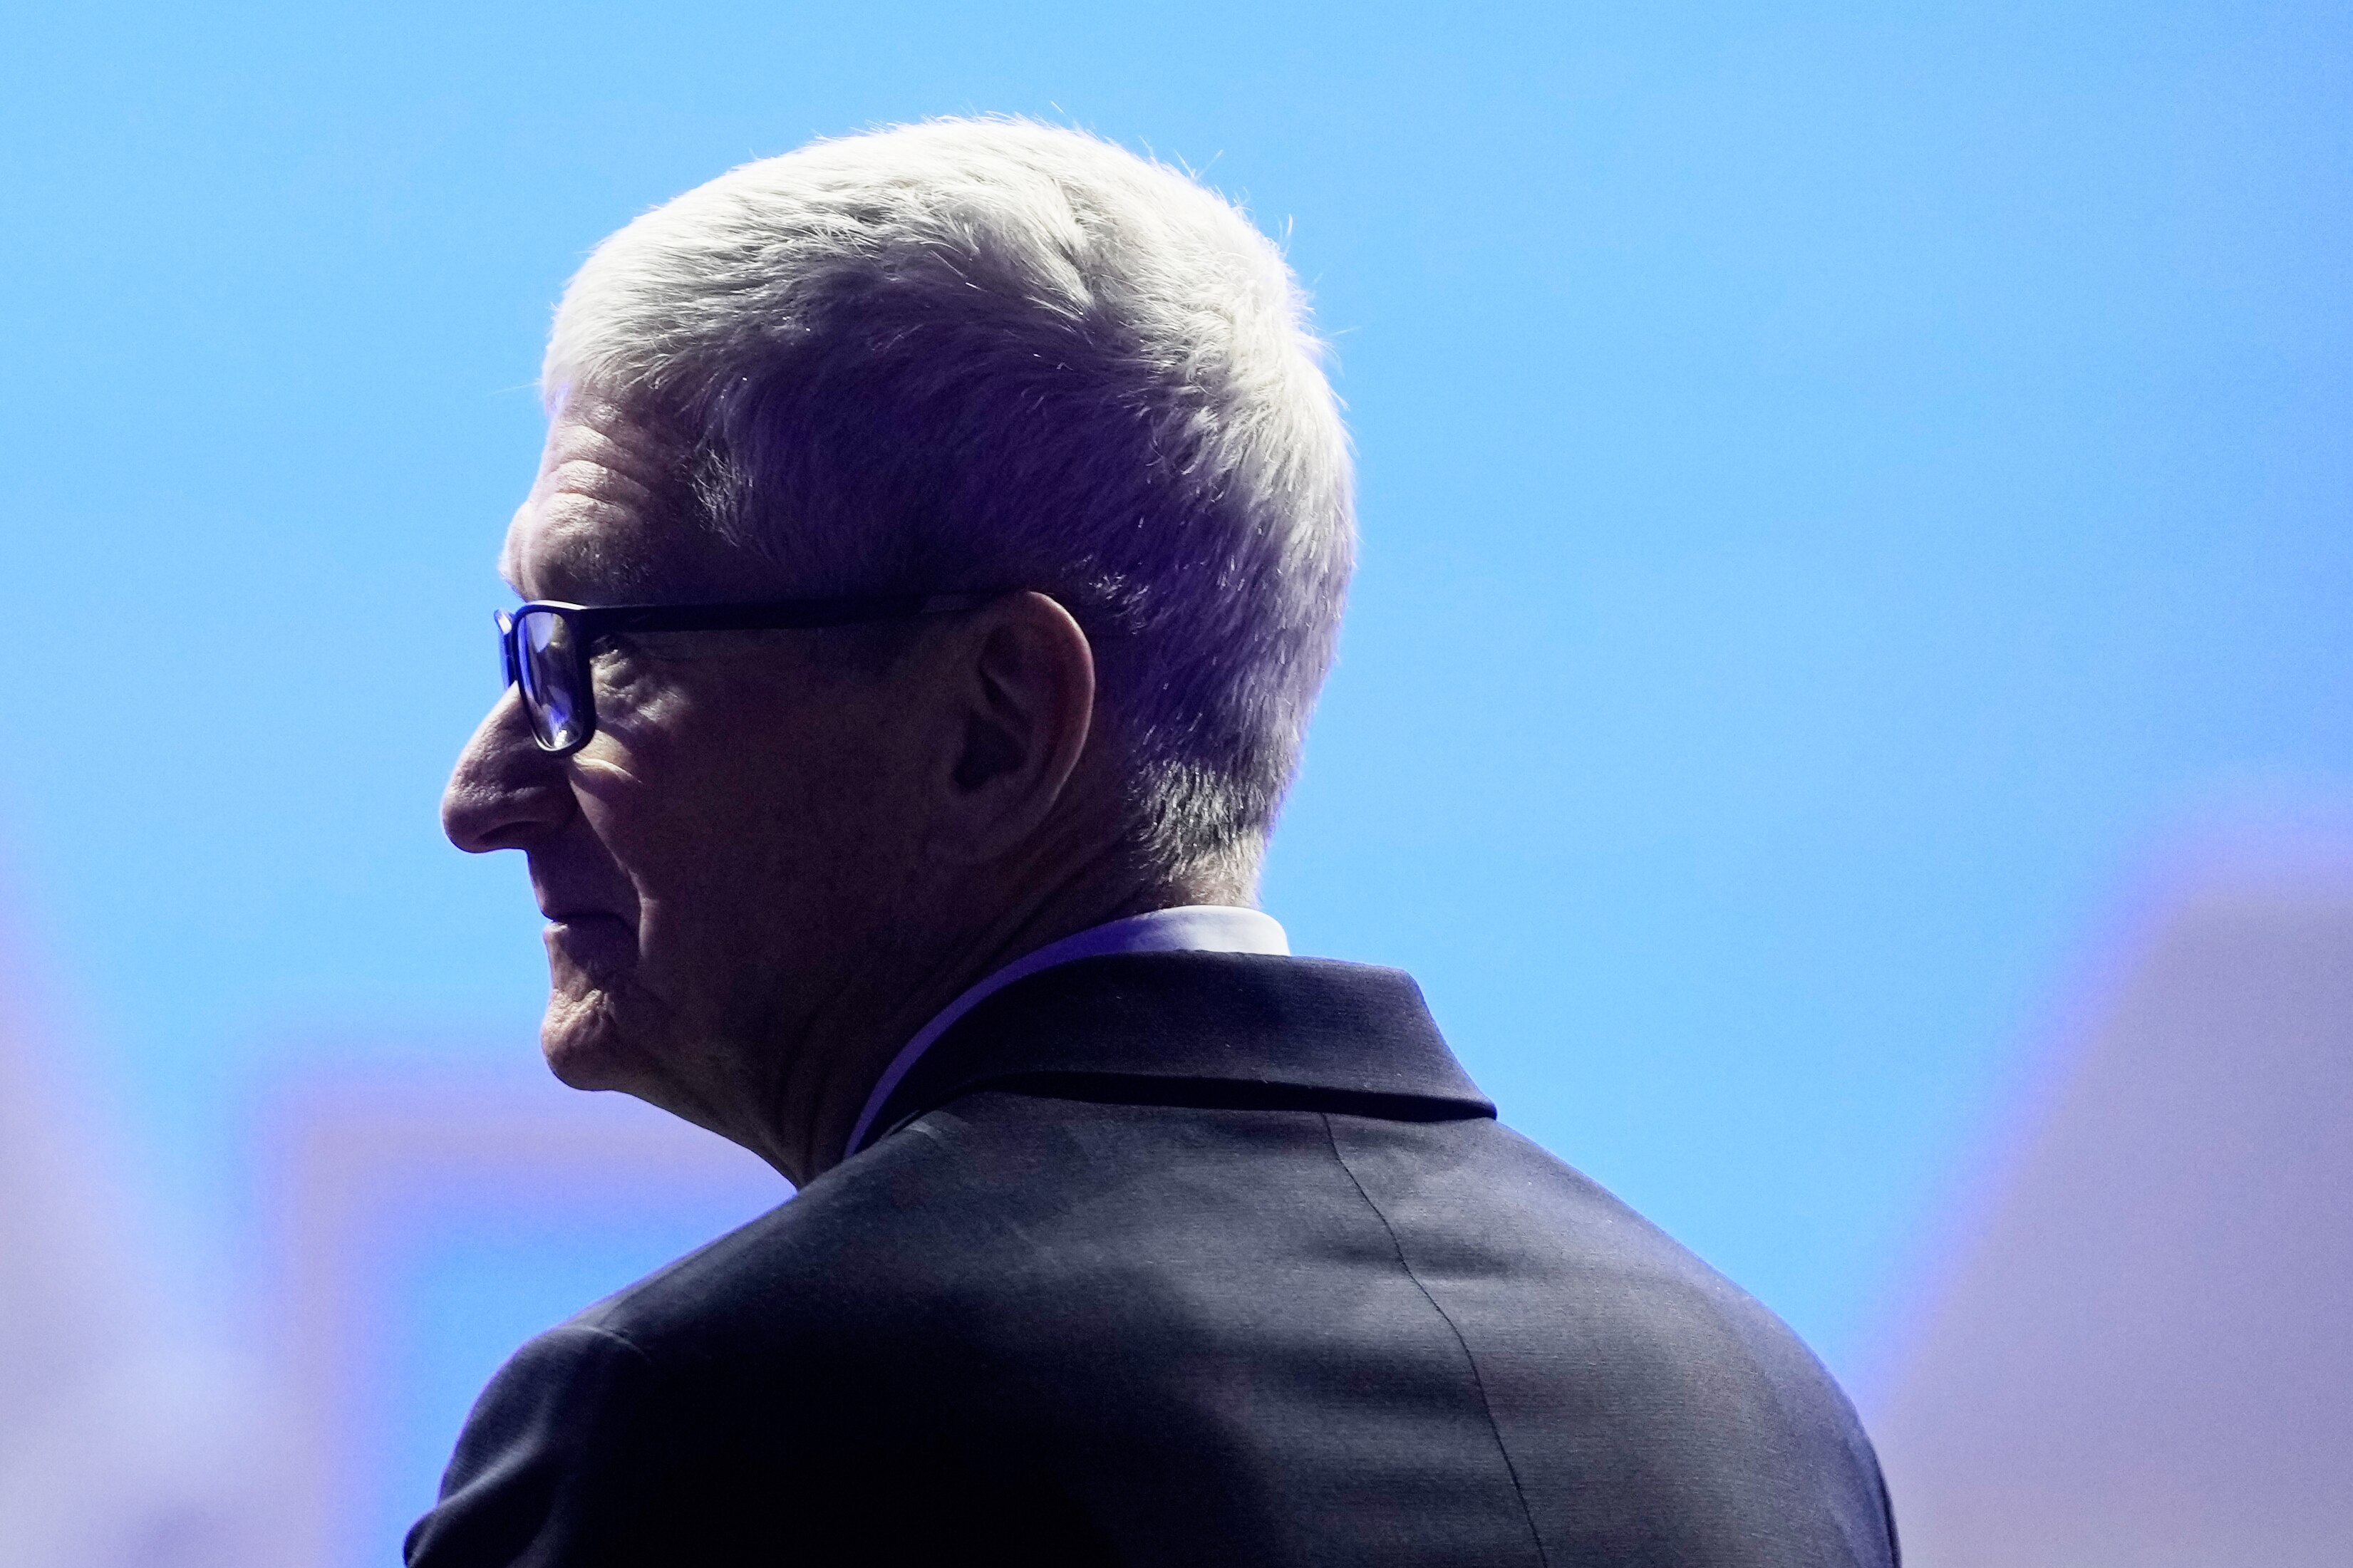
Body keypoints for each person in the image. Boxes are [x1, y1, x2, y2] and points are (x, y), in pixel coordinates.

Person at [414, 117, 1899, 1567]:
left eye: (595, 657)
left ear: (994, 722)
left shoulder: (703, 1432)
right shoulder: (1754, 1412)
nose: (479, 800)